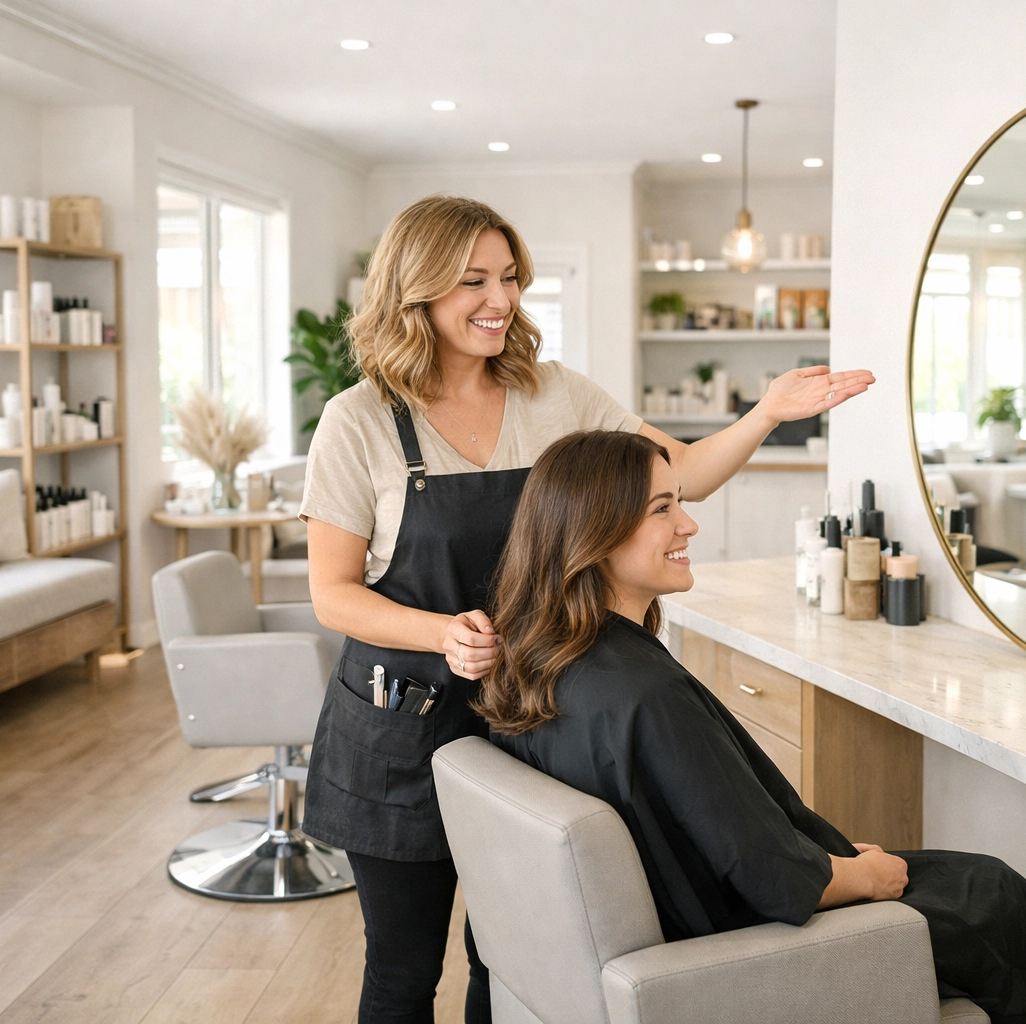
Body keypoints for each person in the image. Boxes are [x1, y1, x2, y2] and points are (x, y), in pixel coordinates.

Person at [298, 193, 875, 1024]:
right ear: (414, 288)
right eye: (472, 282)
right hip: (401, 728)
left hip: (527, 715)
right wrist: (440, 633)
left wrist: (767, 415)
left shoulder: (552, 395)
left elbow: (683, 470)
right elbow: (333, 593)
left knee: (507, 958)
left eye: (509, 278)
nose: (500, 301)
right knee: (402, 969)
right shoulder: (357, 423)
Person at [478, 430, 1026, 1024]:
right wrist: (860, 874)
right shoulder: (646, 695)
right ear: (594, 532)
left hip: (686, 918)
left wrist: (835, 858)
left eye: (680, 503)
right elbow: (769, 876)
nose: (689, 525)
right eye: (663, 509)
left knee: (969, 882)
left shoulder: (541, 664)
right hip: (744, 947)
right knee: (994, 894)